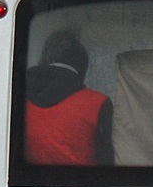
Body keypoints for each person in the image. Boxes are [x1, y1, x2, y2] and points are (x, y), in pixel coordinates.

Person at [24, 30, 112, 165]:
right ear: (82, 65)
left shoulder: (19, 94)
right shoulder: (99, 103)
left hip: (31, 182)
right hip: (80, 183)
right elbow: (107, 162)